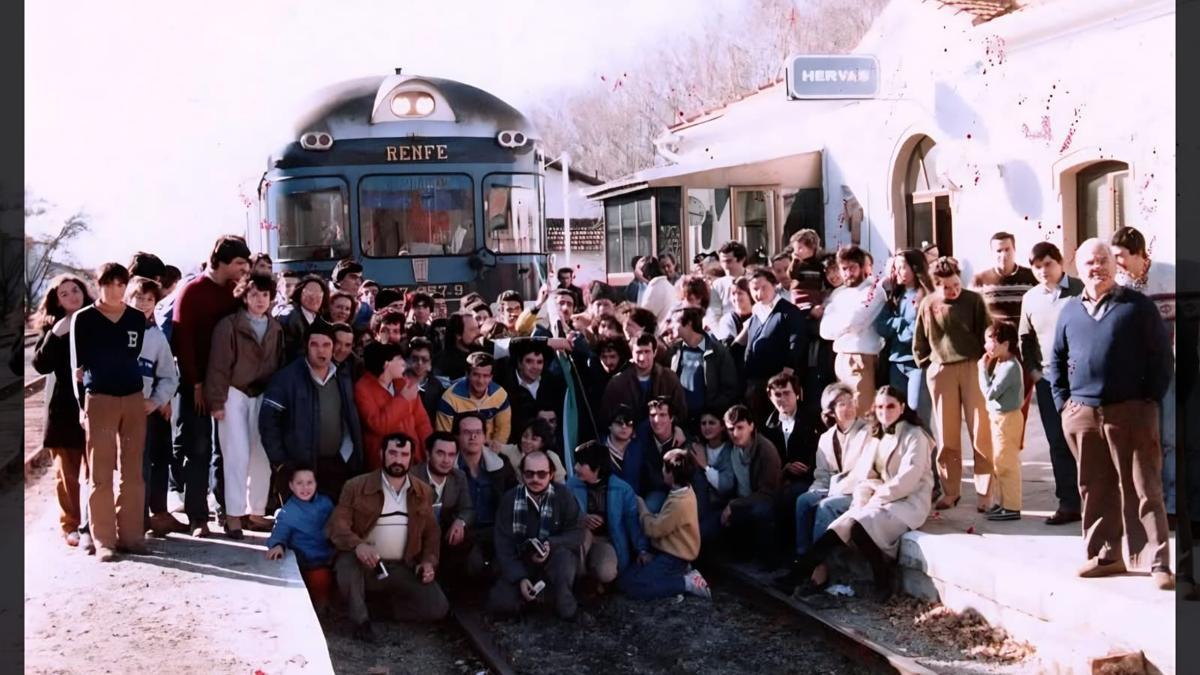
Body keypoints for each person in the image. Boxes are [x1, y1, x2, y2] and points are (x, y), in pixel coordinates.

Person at [1048, 238, 1174, 590]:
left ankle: (1158, 563)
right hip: (1083, 415)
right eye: (1089, 262)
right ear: (1078, 268)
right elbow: (1055, 360)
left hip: (1131, 412)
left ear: (1113, 264)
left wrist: (1148, 400)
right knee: (1095, 487)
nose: (1097, 267)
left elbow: (1162, 359)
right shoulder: (1070, 310)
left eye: (1103, 260)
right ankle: (1106, 555)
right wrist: (1064, 405)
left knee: (1144, 487)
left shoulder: (1137, 306)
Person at [793, 386, 935, 601]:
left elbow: (909, 478)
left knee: (857, 526)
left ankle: (882, 578)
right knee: (843, 525)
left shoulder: (915, 435)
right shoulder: (878, 436)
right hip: (882, 500)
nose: (885, 412)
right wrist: (862, 499)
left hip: (909, 501)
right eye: (880, 407)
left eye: (890, 406)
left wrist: (876, 499)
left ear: (902, 407)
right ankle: (801, 571)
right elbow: (866, 475)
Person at [327, 433, 449, 642]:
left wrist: (428, 562)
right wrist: (358, 546)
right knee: (346, 564)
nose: (398, 459)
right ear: (382, 454)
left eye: (404, 454)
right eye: (393, 453)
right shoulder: (356, 486)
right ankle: (361, 622)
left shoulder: (422, 491)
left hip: (402, 566)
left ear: (412, 458)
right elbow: (336, 526)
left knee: (437, 607)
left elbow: (432, 534)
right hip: (364, 564)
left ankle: (376, 609)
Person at [172, 235, 251, 537]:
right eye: (239, 263)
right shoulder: (191, 292)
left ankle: (225, 508)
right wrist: (195, 384)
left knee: (225, 449)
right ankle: (197, 516)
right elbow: (183, 341)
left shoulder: (233, 292)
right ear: (222, 262)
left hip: (226, 384)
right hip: (195, 382)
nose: (243, 269)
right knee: (198, 447)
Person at [70, 263, 149, 561]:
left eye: (120, 284)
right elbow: (77, 366)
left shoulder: (136, 318)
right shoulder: (85, 319)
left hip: (132, 396)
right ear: (98, 284)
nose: (115, 290)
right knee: (101, 471)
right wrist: (82, 405)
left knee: (133, 470)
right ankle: (104, 539)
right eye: (109, 284)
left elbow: (134, 354)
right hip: (99, 398)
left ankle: (131, 535)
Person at [205, 273, 284, 538]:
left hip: (262, 393)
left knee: (261, 454)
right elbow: (217, 365)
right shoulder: (229, 326)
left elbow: (279, 364)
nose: (260, 300)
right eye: (254, 294)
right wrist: (216, 402)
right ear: (244, 296)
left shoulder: (275, 328)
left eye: (264, 295)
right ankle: (234, 514)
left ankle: (256, 511)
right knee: (236, 455)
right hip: (234, 392)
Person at [912, 256, 993, 512]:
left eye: (956, 284)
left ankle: (985, 492)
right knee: (947, 435)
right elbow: (920, 341)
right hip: (941, 370)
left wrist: (986, 363)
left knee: (980, 431)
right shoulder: (928, 304)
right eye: (946, 287)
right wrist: (928, 364)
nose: (953, 290)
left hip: (972, 366)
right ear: (936, 285)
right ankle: (951, 491)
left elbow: (987, 334)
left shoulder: (974, 300)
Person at [1111, 225, 1178, 519]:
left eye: (1121, 256)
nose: (1117, 264)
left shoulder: (1170, 275)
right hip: (1137, 377)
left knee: (1169, 438)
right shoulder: (1119, 285)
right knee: (1143, 440)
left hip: (1171, 370)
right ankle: (1149, 500)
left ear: (1139, 253)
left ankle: (1172, 504)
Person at [776, 382, 869, 594]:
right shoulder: (827, 438)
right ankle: (803, 558)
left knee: (826, 506)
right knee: (804, 500)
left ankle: (819, 569)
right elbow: (822, 475)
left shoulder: (866, 433)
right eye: (841, 405)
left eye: (849, 403)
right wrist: (815, 491)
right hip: (834, 489)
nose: (848, 408)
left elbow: (861, 474)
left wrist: (831, 491)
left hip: (857, 492)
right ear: (831, 411)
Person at [1018, 242, 1084, 525]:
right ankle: (1068, 503)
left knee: (1087, 441)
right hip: (1049, 382)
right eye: (1037, 266)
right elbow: (1025, 338)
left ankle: (1098, 502)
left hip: (1083, 379)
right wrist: (1034, 372)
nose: (1043, 271)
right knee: (1057, 442)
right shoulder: (1031, 298)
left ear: (1060, 263)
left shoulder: (1081, 290)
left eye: (1048, 264)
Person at [260, 322, 364, 501]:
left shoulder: (343, 377)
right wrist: (281, 463)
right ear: (306, 347)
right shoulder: (287, 379)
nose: (321, 351)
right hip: (300, 468)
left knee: (333, 523)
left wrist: (349, 456)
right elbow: (268, 423)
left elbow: (349, 419)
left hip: (336, 463)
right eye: (314, 344)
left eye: (326, 345)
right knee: (302, 524)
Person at [32, 274, 95, 548]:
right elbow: (40, 364)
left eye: (76, 290)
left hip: (94, 403)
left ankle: (93, 523)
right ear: (55, 301)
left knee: (96, 470)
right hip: (62, 409)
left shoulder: (96, 318)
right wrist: (58, 332)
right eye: (65, 294)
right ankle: (70, 524)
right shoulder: (53, 328)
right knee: (66, 475)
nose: (72, 296)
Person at [487, 450, 585, 619]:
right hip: (522, 561)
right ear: (522, 474)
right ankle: (535, 597)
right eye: (530, 474)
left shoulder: (563, 495)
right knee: (499, 604)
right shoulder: (510, 499)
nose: (535, 479)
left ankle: (562, 602)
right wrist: (520, 578)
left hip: (555, 559)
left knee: (564, 560)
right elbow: (504, 545)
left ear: (551, 474)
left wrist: (550, 544)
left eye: (542, 474)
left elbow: (576, 534)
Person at [125, 277, 184, 539]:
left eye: (149, 299)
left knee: (155, 460)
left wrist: (157, 400)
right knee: (130, 467)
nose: (144, 303)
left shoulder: (156, 336)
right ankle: (130, 519)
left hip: (148, 409)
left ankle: (154, 516)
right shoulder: (114, 330)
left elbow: (169, 375)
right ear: (127, 298)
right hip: (121, 408)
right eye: (138, 297)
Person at [620, 448, 712, 601]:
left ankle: (686, 583)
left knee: (636, 587)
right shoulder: (682, 491)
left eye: (664, 467)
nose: (662, 471)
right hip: (666, 550)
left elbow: (653, 529)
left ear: (671, 474)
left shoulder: (680, 503)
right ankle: (676, 576)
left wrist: (642, 507)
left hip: (674, 556)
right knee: (625, 579)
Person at [567, 441, 650, 590]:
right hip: (579, 538)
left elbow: (632, 523)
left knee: (607, 572)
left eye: (581, 464)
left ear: (596, 468)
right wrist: (582, 518)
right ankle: (580, 583)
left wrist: (642, 550)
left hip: (607, 541)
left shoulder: (622, 489)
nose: (576, 468)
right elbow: (563, 515)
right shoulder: (571, 485)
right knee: (582, 538)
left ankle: (590, 579)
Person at [819, 245, 885, 417]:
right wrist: (844, 324)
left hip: (861, 357)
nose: (848, 273)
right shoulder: (838, 294)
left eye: (853, 268)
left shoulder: (874, 290)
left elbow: (856, 321)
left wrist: (841, 322)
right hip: (840, 356)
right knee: (844, 414)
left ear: (863, 267)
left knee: (863, 412)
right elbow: (824, 330)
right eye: (844, 269)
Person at [761, 372, 818, 556]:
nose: (782, 399)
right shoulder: (769, 425)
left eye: (787, 393)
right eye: (777, 395)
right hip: (781, 477)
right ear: (770, 396)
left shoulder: (811, 418)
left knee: (790, 496)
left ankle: (795, 555)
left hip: (809, 478)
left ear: (797, 394)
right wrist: (784, 469)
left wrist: (802, 467)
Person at [265, 464, 336, 615]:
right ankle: (320, 607)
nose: (305, 488)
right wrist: (278, 545)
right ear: (291, 485)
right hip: (308, 558)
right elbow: (280, 531)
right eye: (299, 483)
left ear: (316, 483)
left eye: (309, 483)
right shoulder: (288, 512)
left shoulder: (326, 503)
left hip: (329, 552)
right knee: (319, 578)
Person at [455, 412, 518, 578]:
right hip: (464, 533)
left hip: (497, 530)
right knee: (472, 566)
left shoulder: (501, 463)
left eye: (478, 432)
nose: (473, 437)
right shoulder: (449, 468)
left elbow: (514, 498)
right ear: (457, 436)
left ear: (484, 436)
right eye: (467, 433)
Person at [741, 269, 808, 424]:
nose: (759, 293)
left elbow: (796, 344)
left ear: (774, 286)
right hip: (755, 382)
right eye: (755, 289)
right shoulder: (756, 314)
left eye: (764, 287)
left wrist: (785, 379)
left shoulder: (788, 312)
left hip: (778, 385)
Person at [355, 341, 433, 472]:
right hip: (383, 463)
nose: (404, 363)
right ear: (386, 364)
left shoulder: (405, 383)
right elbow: (378, 424)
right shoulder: (362, 388)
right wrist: (402, 400)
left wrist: (430, 450)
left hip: (414, 459)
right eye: (398, 359)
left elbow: (422, 422)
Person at [876, 249, 934, 423]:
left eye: (902, 267)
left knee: (917, 413)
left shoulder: (927, 297)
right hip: (896, 363)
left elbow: (914, 334)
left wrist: (896, 324)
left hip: (918, 363)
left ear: (915, 267)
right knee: (897, 416)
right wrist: (900, 323)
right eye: (896, 268)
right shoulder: (895, 296)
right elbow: (880, 326)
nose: (898, 272)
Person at [721, 404, 783, 567]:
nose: (735, 433)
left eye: (740, 427)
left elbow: (767, 494)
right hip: (741, 500)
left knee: (760, 511)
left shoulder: (765, 450)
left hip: (764, 502)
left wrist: (733, 505)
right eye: (730, 429)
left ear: (751, 426)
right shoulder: (732, 447)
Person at [410, 431, 474, 581]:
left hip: (445, 536)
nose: (446, 460)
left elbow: (468, 509)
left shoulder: (459, 476)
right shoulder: (412, 477)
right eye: (440, 453)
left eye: (451, 455)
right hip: (417, 537)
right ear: (428, 454)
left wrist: (460, 521)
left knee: (468, 542)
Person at [979, 321, 1024, 521]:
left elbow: (989, 393)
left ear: (1005, 344)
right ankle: (1002, 502)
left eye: (992, 342)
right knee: (998, 462)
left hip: (1007, 419)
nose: (987, 347)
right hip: (998, 418)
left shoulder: (1009, 368)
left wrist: (981, 369)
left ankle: (1012, 507)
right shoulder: (1001, 362)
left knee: (1006, 463)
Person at [665, 307, 739, 426]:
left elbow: (729, 389)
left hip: (707, 423)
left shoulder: (718, 352)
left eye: (674, 322)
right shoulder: (674, 351)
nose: (670, 326)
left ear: (688, 323)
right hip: (680, 422)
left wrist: (711, 411)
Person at [601, 334, 688, 428]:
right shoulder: (617, 383)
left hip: (662, 438)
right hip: (629, 439)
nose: (642, 358)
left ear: (654, 352)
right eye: (638, 352)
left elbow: (681, 414)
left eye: (647, 352)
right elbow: (607, 419)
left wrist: (675, 430)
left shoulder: (669, 378)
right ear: (632, 353)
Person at [435, 352, 512, 446]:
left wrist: (496, 448)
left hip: (490, 448)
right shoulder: (449, 399)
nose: (480, 381)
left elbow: (503, 429)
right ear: (467, 375)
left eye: (486, 376)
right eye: (476, 375)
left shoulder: (500, 395)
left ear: (491, 377)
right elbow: (444, 435)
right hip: (460, 449)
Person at [688, 408, 737, 548]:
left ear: (722, 426)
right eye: (703, 423)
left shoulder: (729, 450)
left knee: (701, 535)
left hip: (720, 507)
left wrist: (705, 466)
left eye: (712, 423)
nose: (707, 427)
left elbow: (726, 486)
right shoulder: (698, 447)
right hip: (698, 507)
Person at [502, 342, 565, 443]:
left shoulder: (553, 383)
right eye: (529, 361)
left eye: (539, 362)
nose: (535, 367)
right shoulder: (506, 386)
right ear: (519, 363)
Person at [278, 274, 330, 363]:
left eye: (318, 294)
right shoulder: (289, 317)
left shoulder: (319, 319)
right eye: (308, 293)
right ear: (299, 293)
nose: (313, 297)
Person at [498, 419, 567, 483]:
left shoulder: (552, 458)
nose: (527, 441)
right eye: (525, 436)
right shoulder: (513, 451)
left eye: (534, 439)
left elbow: (561, 485)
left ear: (543, 443)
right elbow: (494, 446)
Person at [406, 337, 444, 423]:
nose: (419, 363)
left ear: (430, 363)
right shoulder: (397, 385)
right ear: (407, 360)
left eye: (424, 360)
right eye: (415, 359)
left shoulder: (437, 387)